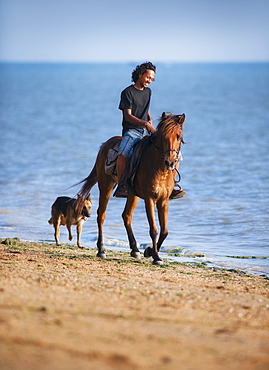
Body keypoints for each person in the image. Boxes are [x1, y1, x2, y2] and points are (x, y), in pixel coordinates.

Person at [113, 62, 185, 200]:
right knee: (123, 152)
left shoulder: (148, 92)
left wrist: (149, 118)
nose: (150, 81)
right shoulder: (127, 92)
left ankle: (172, 184)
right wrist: (145, 123)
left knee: (173, 152)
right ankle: (122, 185)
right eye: (148, 77)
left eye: (152, 79)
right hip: (132, 131)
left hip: (146, 130)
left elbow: (145, 108)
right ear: (140, 75)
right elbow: (128, 115)